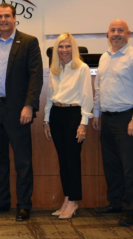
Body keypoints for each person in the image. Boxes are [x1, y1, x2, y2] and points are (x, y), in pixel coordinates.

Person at [0, 3, 43, 221]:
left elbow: (36, 76)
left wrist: (29, 105)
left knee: (23, 160)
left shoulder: (29, 42)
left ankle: (24, 204)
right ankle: (1, 202)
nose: (3, 19)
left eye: (7, 16)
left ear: (15, 18)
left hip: (18, 110)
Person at [92, 19, 133, 226]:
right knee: (111, 164)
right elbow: (99, 88)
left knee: (129, 166)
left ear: (128, 34)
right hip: (107, 119)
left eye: (120, 30)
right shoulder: (104, 58)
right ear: (107, 34)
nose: (116, 33)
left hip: (127, 118)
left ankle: (129, 209)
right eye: (112, 30)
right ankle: (115, 203)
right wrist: (97, 114)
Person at [43, 33, 93, 219]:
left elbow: (87, 96)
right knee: (63, 161)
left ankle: (74, 201)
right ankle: (67, 199)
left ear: (74, 48)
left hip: (74, 115)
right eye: (61, 47)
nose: (64, 50)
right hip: (56, 114)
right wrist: (46, 120)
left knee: (73, 161)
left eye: (68, 46)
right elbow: (49, 95)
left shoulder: (82, 68)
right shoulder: (55, 69)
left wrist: (84, 124)